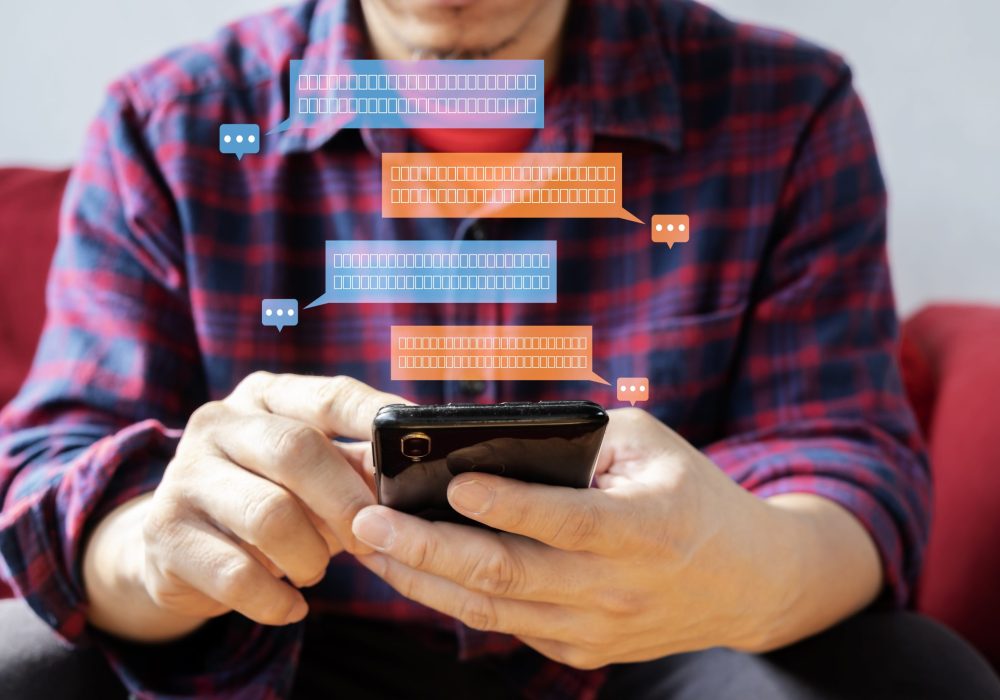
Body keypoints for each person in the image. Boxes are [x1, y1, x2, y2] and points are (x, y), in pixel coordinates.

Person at [1, 0, 998, 698]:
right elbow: (52, 467)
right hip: (283, 652)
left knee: (911, 673)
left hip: (655, 657)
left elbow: (843, 450)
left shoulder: (786, 105)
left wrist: (753, 568)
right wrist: (156, 552)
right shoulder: (166, 122)